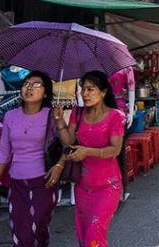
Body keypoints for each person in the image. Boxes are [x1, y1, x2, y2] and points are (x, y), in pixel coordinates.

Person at [0, 71, 66, 247]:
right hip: (17, 183)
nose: (29, 88)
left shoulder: (52, 114)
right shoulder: (10, 116)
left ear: (46, 93)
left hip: (45, 182)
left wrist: (59, 165)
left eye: (35, 85)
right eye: (26, 84)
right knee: (20, 231)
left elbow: (68, 145)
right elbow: (3, 152)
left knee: (35, 229)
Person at [64, 71, 126, 247]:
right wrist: (60, 122)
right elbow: (68, 142)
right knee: (84, 237)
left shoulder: (116, 116)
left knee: (94, 233)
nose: (85, 94)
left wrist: (87, 152)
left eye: (90, 89)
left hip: (108, 186)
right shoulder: (77, 113)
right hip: (82, 186)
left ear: (104, 92)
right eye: (83, 89)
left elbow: (115, 149)